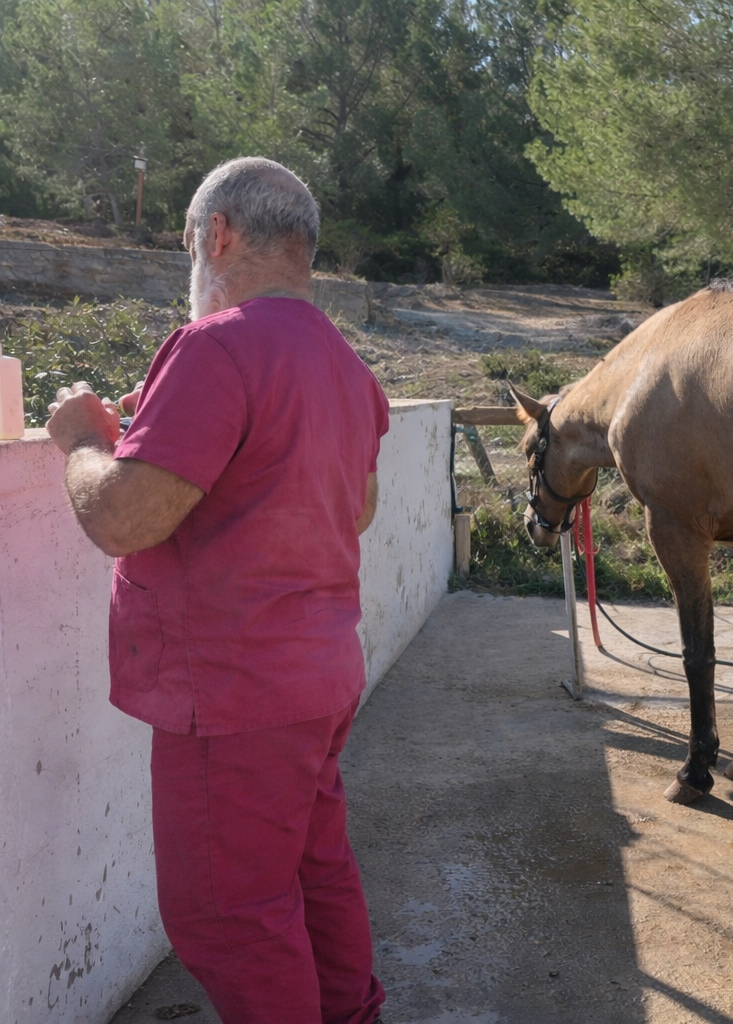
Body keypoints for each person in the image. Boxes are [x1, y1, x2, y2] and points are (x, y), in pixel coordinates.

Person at [45, 157, 390, 1024]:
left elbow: (123, 520)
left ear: (220, 235)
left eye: (189, 242)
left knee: (226, 917)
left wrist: (85, 440)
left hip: (235, 697)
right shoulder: (346, 365)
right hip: (319, 679)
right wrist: (177, 435)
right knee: (314, 873)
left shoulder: (216, 345)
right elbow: (355, 509)